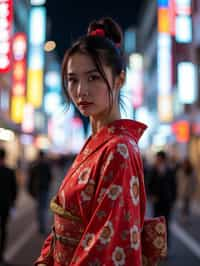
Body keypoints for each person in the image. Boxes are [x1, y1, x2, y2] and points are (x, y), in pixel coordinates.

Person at [35, 17, 147, 266]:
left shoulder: (119, 149)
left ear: (120, 79)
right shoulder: (99, 143)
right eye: (73, 79)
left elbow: (104, 247)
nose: (80, 90)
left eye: (94, 78)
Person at [148, 151, 177, 248]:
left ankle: (165, 247)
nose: (157, 160)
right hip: (157, 201)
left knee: (166, 224)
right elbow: (149, 183)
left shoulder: (170, 170)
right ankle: (156, 248)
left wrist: (173, 200)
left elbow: (174, 186)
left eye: (159, 159)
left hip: (167, 201)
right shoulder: (153, 170)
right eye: (157, 159)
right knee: (156, 224)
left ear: (163, 159)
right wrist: (151, 195)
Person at [28, 150, 52, 235]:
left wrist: (30, 191)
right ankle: (43, 227)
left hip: (37, 190)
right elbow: (50, 177)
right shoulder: (46, 165)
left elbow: (30, 180)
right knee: (44, 209)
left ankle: (40, 226)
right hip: (44, 189)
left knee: (39, 209)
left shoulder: (35, 166)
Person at [0, 147, 17, 265]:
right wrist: (12, 203)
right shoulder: (9, 171)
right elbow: (14, 190)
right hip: (5, 205)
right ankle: (1, 255)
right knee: (3, 230)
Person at [179, 157, 196, 224]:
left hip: (188, 191)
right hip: (182, 191)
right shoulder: (181, 171)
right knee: (183, 205)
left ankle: (186, 218)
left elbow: (194, 182)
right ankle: (183, 217)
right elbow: (179, 180)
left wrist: (193, 190)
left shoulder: (192, 171)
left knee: (187, 205)